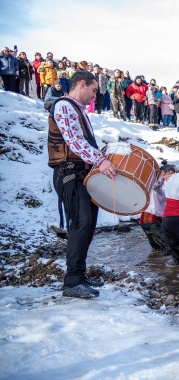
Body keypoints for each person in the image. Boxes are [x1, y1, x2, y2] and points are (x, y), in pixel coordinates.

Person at [48, 70, 117, 298]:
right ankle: (72, 281)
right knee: (81, 222)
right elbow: (74, 141)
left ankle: (80, 274)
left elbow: (83, 143)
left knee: (88, 223)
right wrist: (100, 160)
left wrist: (102, 156)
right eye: (94, 90)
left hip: (82, 174)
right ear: (82, 85)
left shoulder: (77, 109)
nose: (95, 96)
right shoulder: (64, 106)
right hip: (68, 174)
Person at [140, 163, 176, 254]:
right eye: (170, 174)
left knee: (157, 249)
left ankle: (156, 265)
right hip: (151, 220)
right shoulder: (153, 182)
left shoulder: (163, 185)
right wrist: (162, 178)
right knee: (169, 248)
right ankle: (168, 267)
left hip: (151, 220)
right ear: (162, 172)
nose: (172, 176)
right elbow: (155, 186)